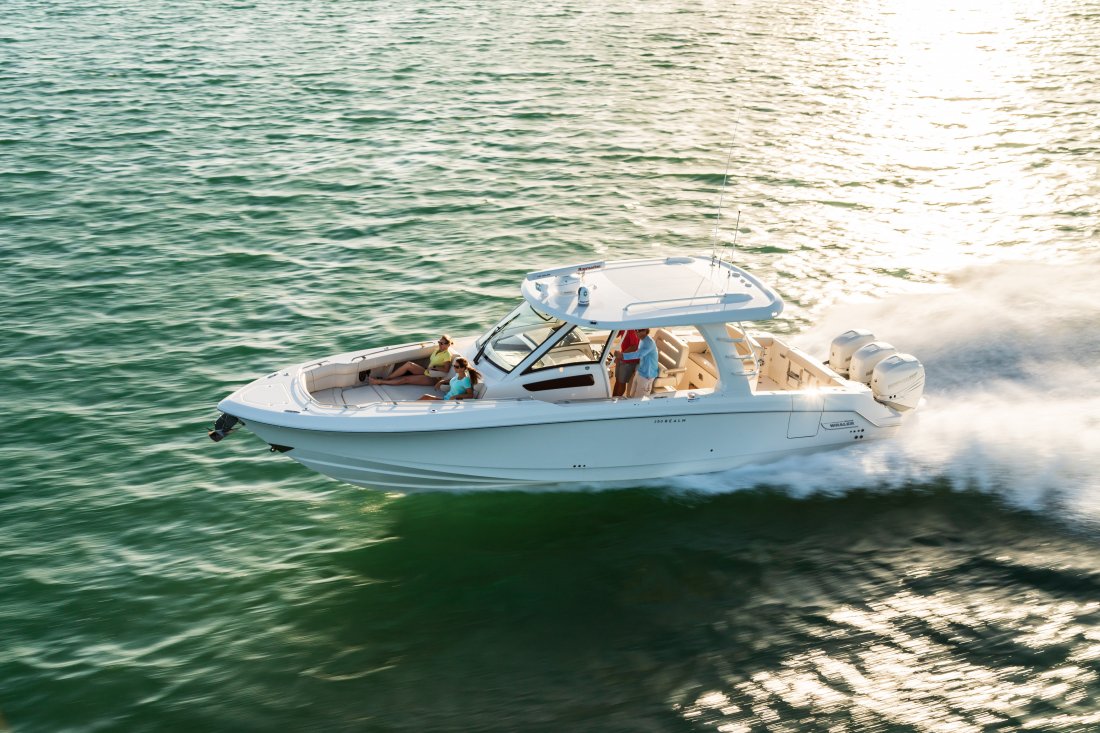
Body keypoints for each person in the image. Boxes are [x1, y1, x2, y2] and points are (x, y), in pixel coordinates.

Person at [370, 335, 453, 386]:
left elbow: (446, 370)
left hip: (434, 377)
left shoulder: (447, 354)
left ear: (448, 345)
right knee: (408, 364)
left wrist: (435, 367)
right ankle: (387, 378)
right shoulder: (437, 350)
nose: (439, 344)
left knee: (405, 379)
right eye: (439, 342)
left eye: (442, 343)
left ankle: (380, 381)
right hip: (427, 371)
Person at [621, 327, 658, 398]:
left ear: (646, 331)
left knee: (639, 401)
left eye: (639, 330)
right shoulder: (642, 340)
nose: (636, 332)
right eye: (636, 330)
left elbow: (639, 354)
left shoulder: (649, 343)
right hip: (641, 372)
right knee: (631, 396)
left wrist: (622, 356)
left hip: (647, 375)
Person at [612, 329, 641, 397]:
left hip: (630, 360)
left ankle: (617, 402)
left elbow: (634, 347)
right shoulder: (623, 325)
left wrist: (621, 356)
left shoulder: (632, 329)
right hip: (622, 356)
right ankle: (613, 399)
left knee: (621, 382)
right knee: (618, 380)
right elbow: (616, 335)